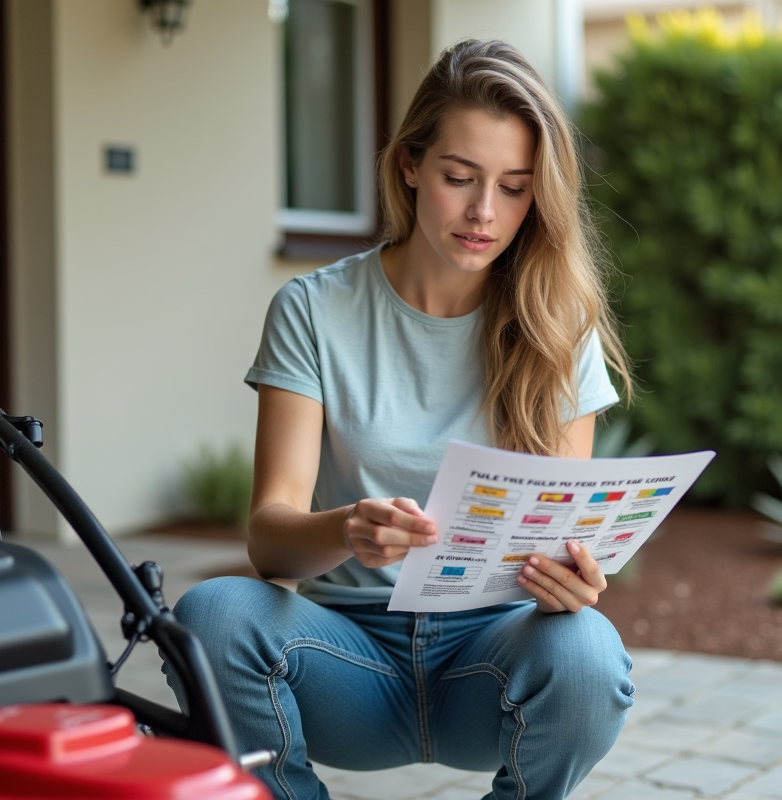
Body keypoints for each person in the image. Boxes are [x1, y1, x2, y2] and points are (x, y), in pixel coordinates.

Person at [169, 39, 636, 800]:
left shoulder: (558, 328)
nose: (484, 212)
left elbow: (557, 531)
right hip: (345, 658)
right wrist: (346, 528)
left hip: (489, 665)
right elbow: (268, 543)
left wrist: (571, 581)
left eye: (515, 188)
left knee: (588, 649)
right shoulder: (313, 311)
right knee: (213, 616)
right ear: (411, 165)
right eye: (459, 177)